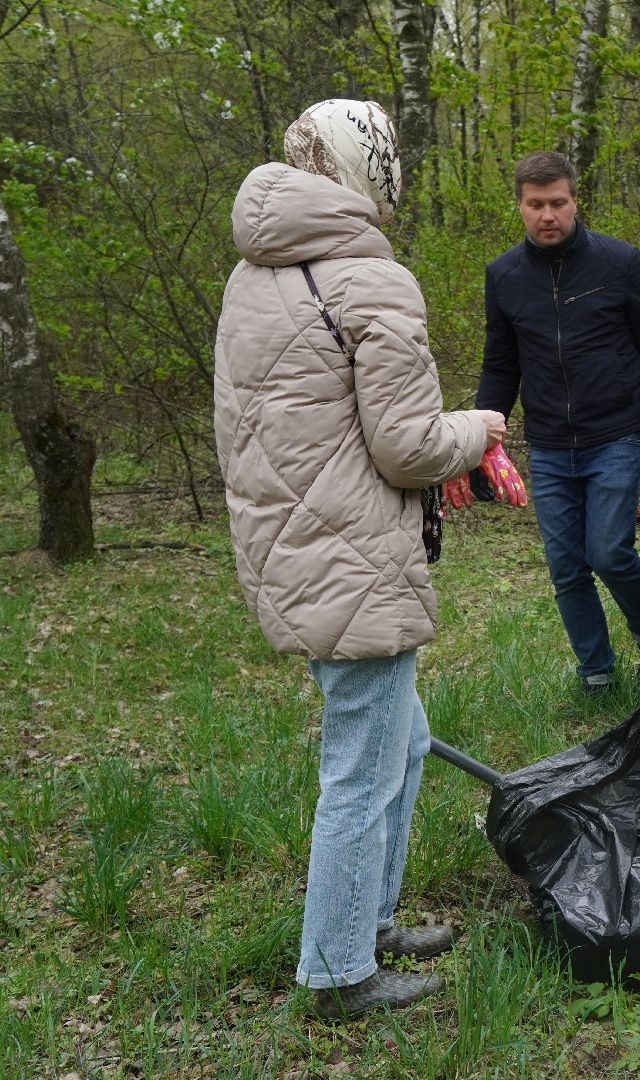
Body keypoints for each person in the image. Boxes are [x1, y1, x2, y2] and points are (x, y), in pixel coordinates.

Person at [214, 100, 512, 1018]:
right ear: (368, 171)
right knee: (362, 766)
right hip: (350, 552)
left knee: (402, 743)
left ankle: (368, 919)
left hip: (290, 546)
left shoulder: (252, 273)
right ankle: (339, 971)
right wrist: (482, 428)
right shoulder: (369, 280)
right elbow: (410, 446)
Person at [477, 151, 640, 693]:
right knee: (566, 566)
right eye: (535, 205)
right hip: (548, 442)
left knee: (609, 552)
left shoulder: (617, 261)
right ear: (520, 206)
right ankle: (596, 673)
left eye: (558, 203)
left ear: (575, 201)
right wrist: (480, 439)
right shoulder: (503, 275)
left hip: (615, 431)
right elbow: (501, 363)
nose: (548, 215)